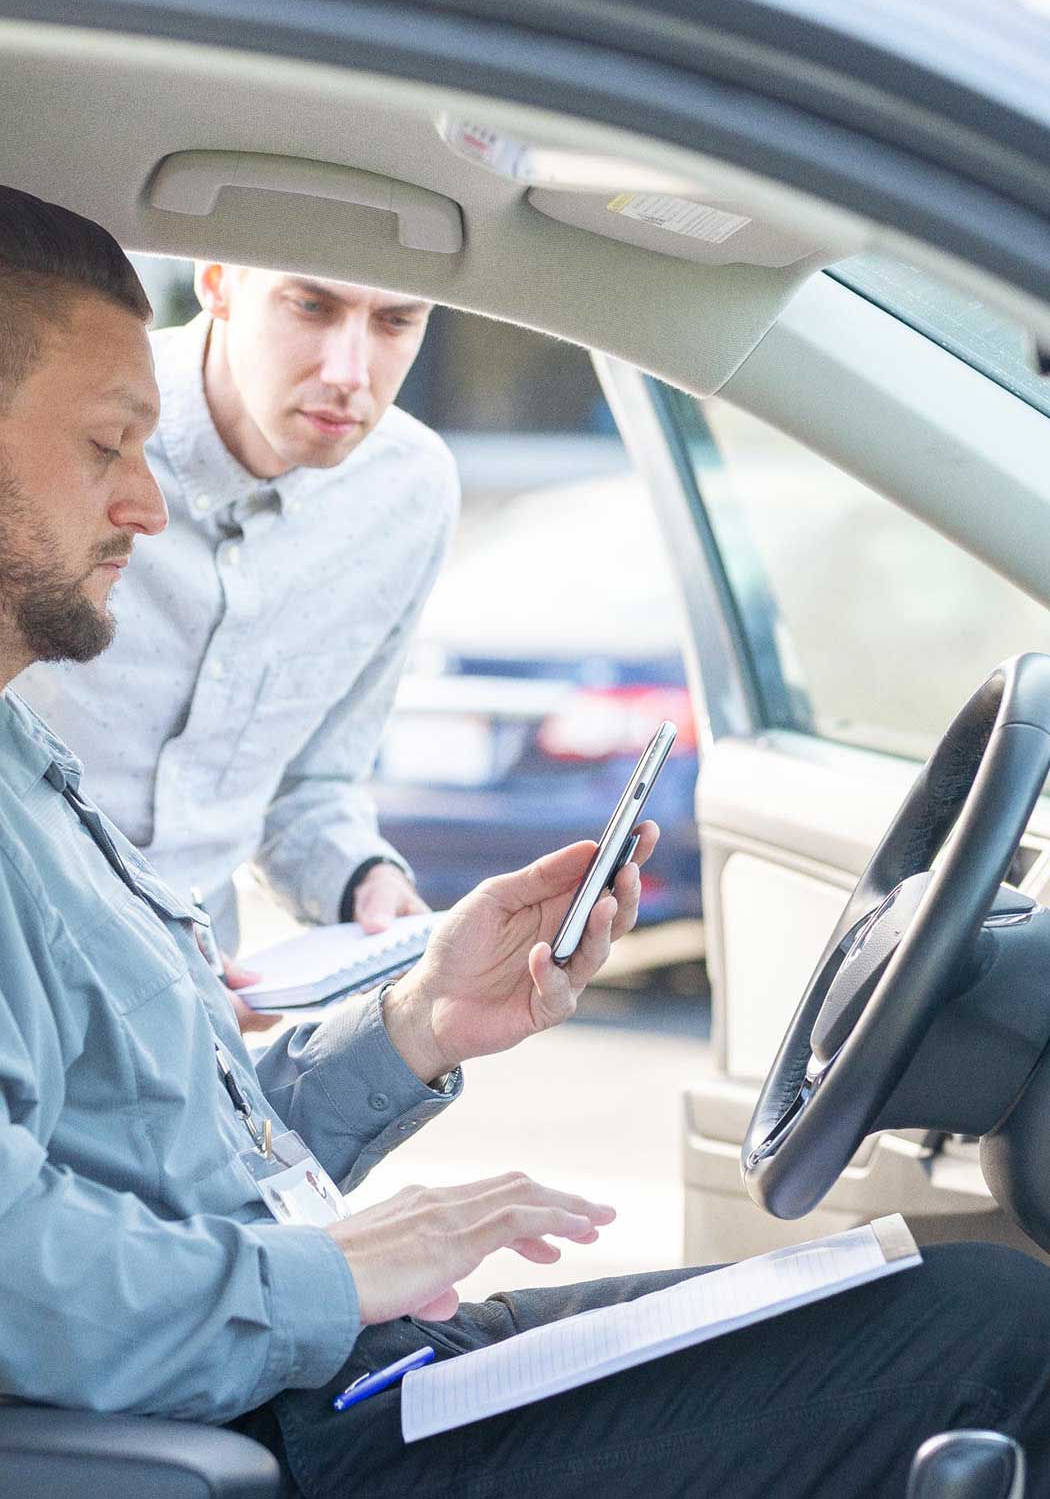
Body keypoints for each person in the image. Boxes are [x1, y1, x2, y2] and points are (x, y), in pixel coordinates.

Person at [1, 187, 1049, 1499]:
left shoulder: (30, 769)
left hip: (338, 1355)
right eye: (108, 447)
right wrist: (336, 1272)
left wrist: (421, 1018)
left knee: (928, 1284)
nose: (149, 509)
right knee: (994, 1334)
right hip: (268, 1418)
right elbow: (18, 1267)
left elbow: (182, 1153)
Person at [16, 238, 458, 1030]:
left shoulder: (412, 494)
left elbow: (312, 783)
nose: (349, 372)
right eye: (312, 306)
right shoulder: (64, 418)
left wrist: (361, 880)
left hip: (210, 1013)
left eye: (395, 321)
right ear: (217, 280)